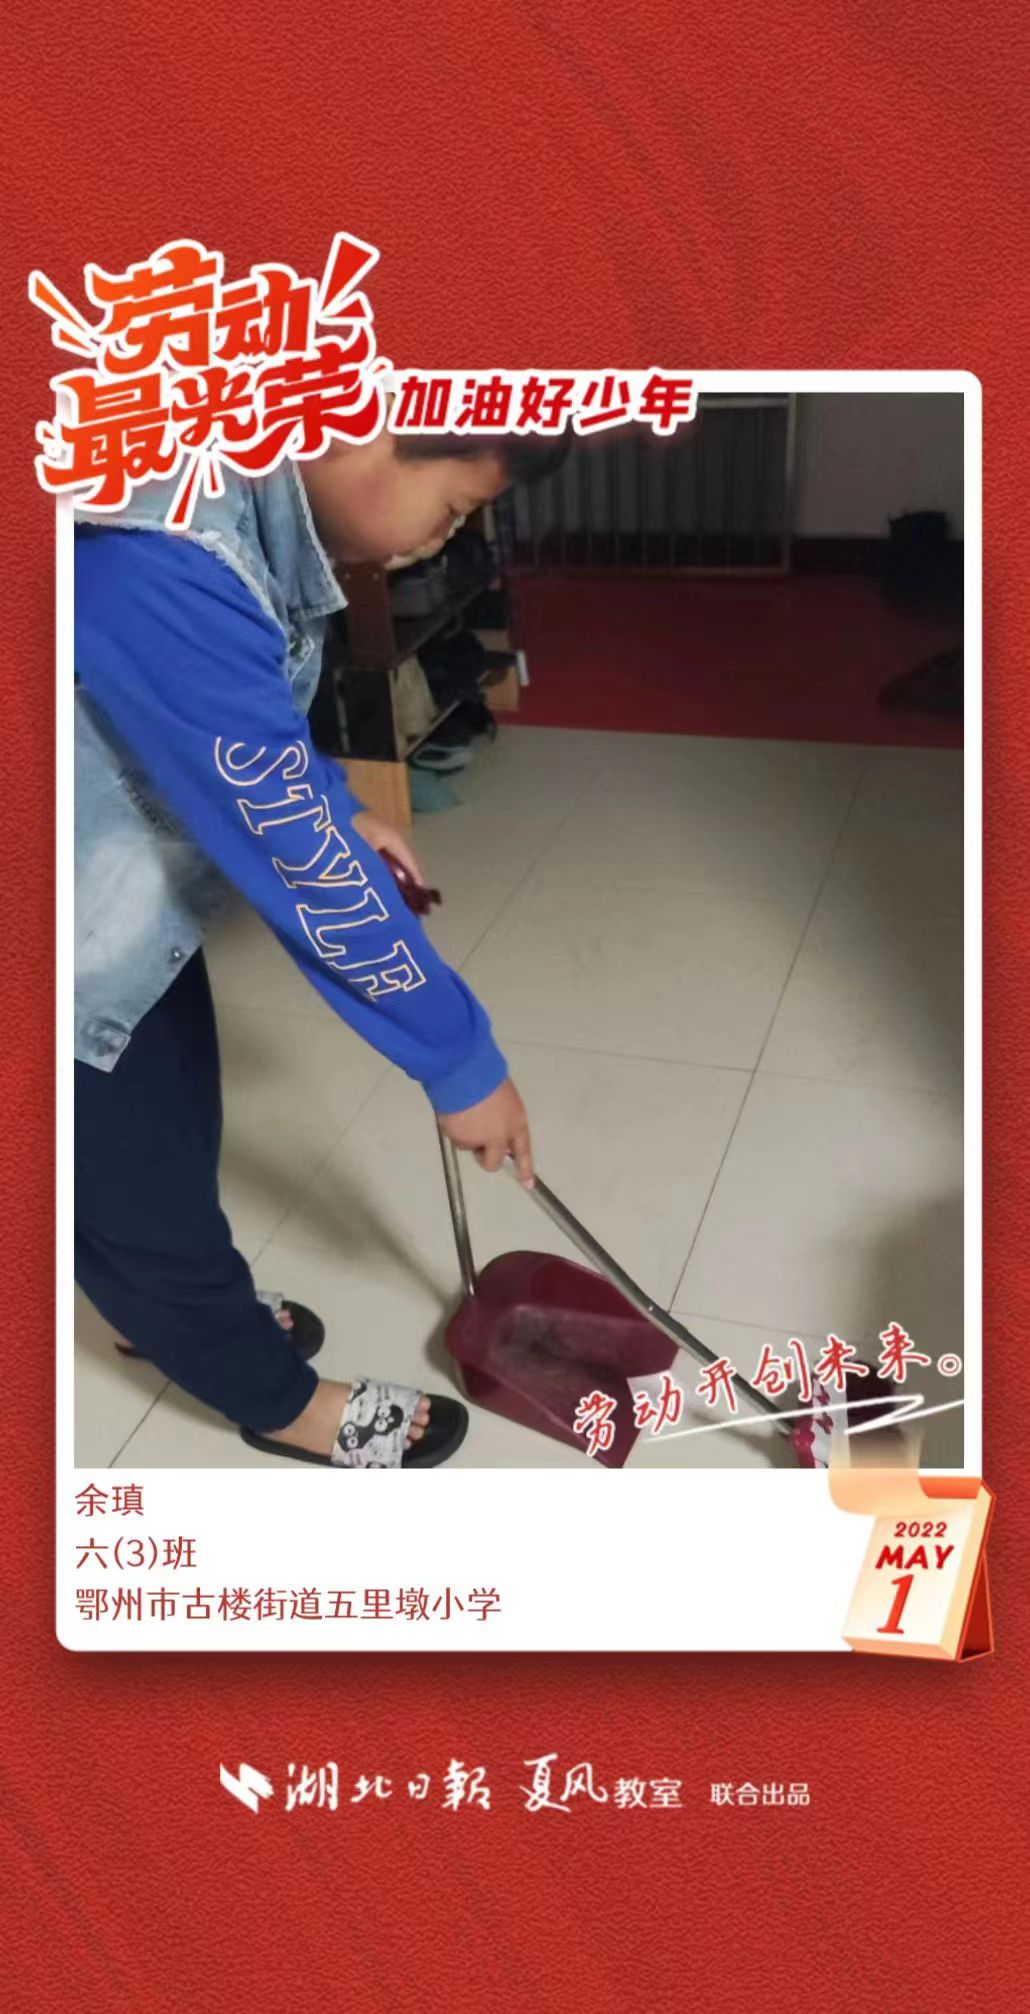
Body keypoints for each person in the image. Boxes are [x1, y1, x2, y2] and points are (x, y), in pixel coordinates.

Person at [73, 426, 569, 1470]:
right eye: (452, 509)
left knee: (152, 1116)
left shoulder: (236, 487)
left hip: (99, 899)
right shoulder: (157, 554)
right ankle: (272, 1396)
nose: (441, 542)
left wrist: (334, 802)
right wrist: (458, 1059)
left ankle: (161, 1311)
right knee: (135, 1166)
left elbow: (235, 712)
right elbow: (305, 871)